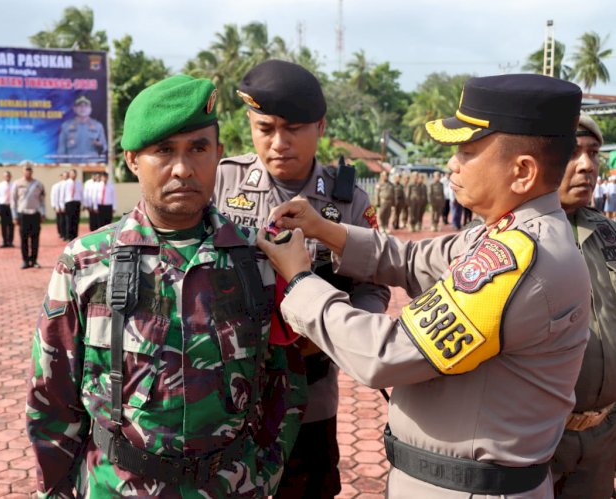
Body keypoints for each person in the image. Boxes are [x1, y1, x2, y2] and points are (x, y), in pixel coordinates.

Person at [258, 74, 591, 498]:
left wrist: (301, 282)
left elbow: (388, 354)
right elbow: (414, 260)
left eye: (468, 152)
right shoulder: (501, 231)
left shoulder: (520, 260)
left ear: (522, 172)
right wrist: (325, 229)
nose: (452, 163)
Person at [26, 74, 307, 498]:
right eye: (163, 150)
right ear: (132, 160)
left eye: (198, 148)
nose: (183, 168)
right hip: (116, 487)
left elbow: (285, 385)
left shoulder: (260, 261)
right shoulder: (85, 263)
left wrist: (265, 472)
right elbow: (52, 394)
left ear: (219, 154)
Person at [213, 59, 388, 499]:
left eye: (292, 128)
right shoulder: (221, 182)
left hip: (310, 388)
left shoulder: (347, 201)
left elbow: (372, 285)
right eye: (265, 128)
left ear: (321, 126)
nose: (278, 142)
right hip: (226, 391)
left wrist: (345, 336)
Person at [550, 113, 616, 498]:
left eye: (593, 153)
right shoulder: (502, 237)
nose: (587, 166)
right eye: (572, 152)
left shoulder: (607, 233)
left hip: (602, 437)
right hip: (536, 442)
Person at [11, 162, 45, 269]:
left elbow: (42, 200)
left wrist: (43, 213)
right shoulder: (17, 183)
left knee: (35, 239)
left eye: (30, 169)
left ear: (32, 171)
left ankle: (34, 260)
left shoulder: (38, 184)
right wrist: (14, 216)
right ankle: (25, 261)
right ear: (23, 171)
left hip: (35, 214)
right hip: (23, 214)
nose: (28, 171)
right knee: (24, 239)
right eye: (26, 169)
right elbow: (13, 201)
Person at [56, 95, 107, 163]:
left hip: (92, 167)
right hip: (73, 166)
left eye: (86, 106)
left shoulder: (98, 126)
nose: (83, 108)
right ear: (74, 108)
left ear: (90, 109)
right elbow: (61, 151)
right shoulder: (66, 126)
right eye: (80, 106)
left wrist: (99, 145)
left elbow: (105, 147)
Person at [0, 170, 15, 247]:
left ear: (11, 176)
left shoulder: (14, 185)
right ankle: (4, 241)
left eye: (8, 176)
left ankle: (10, 241)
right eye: (6, 176)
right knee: (3, 225)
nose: (7, 177)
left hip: (11, 206)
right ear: (3, 177)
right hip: (3, 206)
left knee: (11, 224)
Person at [63, 168, 83, 240]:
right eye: (72, 173)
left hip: (77, 202)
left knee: (76, 220)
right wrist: (62, 205)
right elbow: (63, 194)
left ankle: (75, 236)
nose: (73, 175)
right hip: (69, 202)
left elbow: (81, 194)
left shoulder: (79, 183)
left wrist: (82, 203)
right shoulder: (66, 183)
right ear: (70, 174)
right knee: (69, 220)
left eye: (75, 173)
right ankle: (69, 236)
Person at [50, 172, 67, 241]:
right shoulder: (56, 186)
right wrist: (55, 205)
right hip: (59, 206)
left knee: (66, 221)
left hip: (67, 206)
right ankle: (61, 233)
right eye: (63, 176)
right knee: (60, 220)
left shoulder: (68, 185)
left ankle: (66, 234)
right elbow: (54, 196)